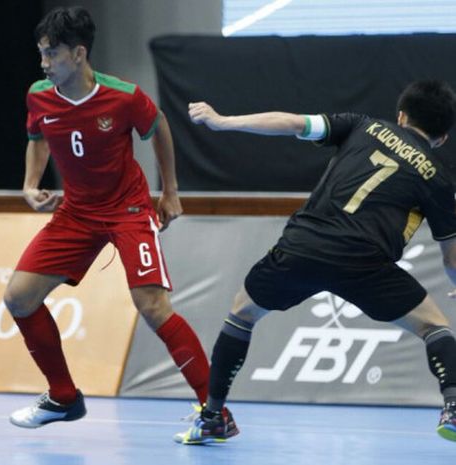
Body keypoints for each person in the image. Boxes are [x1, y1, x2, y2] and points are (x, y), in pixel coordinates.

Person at [174, 79, 456, 444]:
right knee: (435, 327)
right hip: (366, 263)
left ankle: (213, 416)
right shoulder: (438, 177)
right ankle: (452, 405)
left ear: (401, 116)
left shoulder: (362, 125)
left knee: (241, 315)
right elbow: (450, 255)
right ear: (443, 138)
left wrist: (223, 120)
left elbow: (292, 123)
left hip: (304, 247)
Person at [3, 6, 210, 428]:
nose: (44, 64)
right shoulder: (39, 94)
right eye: (41, 54)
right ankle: (63, 397)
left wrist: (169, 192)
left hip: (128, 209)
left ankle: (215, 409)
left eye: (52, 54)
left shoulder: (123, 96)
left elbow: (159, 128)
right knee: (19, 297)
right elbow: (37, 135)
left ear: (79, 54)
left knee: (152, 306)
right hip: (76, 212)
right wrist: (29, 184)